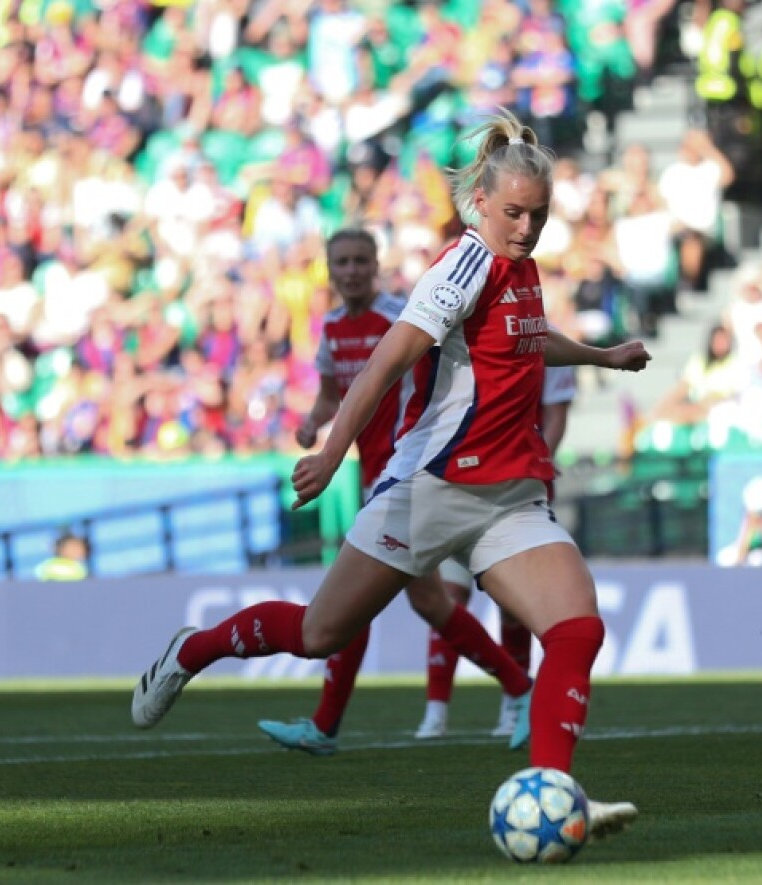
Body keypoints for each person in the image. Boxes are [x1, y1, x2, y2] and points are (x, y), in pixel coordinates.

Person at [131, 108, 650, 839]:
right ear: (481, 201)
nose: (527, 228)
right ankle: (193, 648)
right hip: (430, 488)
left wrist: (600, 358)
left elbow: (529, 342)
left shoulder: (522, 267)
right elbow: (388, 359)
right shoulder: (464, 263)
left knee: (576, 627)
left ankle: (553, 788)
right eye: (513, 213)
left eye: (538, 215)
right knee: (318, 633)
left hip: (508, 496)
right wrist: (334, 447)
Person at [253, 229, 537, 757]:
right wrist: (315, 425)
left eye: (362, 260)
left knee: (362, 604)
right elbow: (332, 395)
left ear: (376, 264)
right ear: (330, 270)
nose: (353, 270)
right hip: (375, 479)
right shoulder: (334, 327)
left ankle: (326, 724)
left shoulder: (404, 316)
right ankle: (519, 687)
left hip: (414, 474)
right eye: (343, 262)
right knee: (428, 603)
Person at [413, 363, 577, 741]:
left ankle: (512, 702)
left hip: (515, 490)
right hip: (458, 486)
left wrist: (535, 462)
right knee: (447, 597)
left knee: (513, 604)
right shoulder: (462, 337)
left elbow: (556, 415)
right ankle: (436, 709)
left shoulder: (546, 342)